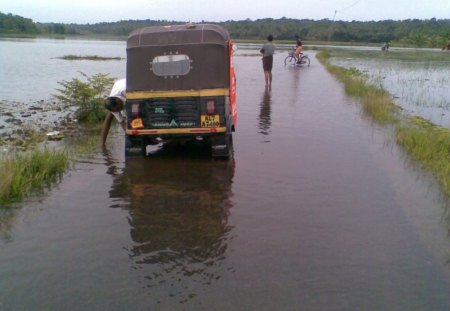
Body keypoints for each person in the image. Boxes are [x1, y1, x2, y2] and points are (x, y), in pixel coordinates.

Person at [101, 78, 126, 146]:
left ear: (118, 102)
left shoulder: (125, 91)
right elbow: (121, 122)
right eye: (117, 111)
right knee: (108, 117)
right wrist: (129, 134)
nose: (119, 111)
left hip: (128, 83)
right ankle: (102, 144)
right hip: (117, 90)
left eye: (119, 108)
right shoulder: (113, 107)